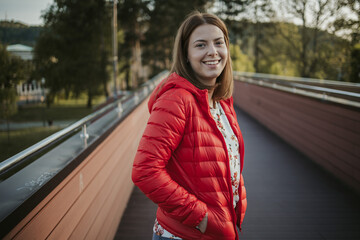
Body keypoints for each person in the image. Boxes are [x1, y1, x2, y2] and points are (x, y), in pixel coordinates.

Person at [132, 11, 247, 240]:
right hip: (183, 235)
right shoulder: (176, 100)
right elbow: (145, 170)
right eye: (200, 45)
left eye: (218, 43)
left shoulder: (221, 101)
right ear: (186, 55)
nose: (212, 52)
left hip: (219, 230)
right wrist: (203, 219)